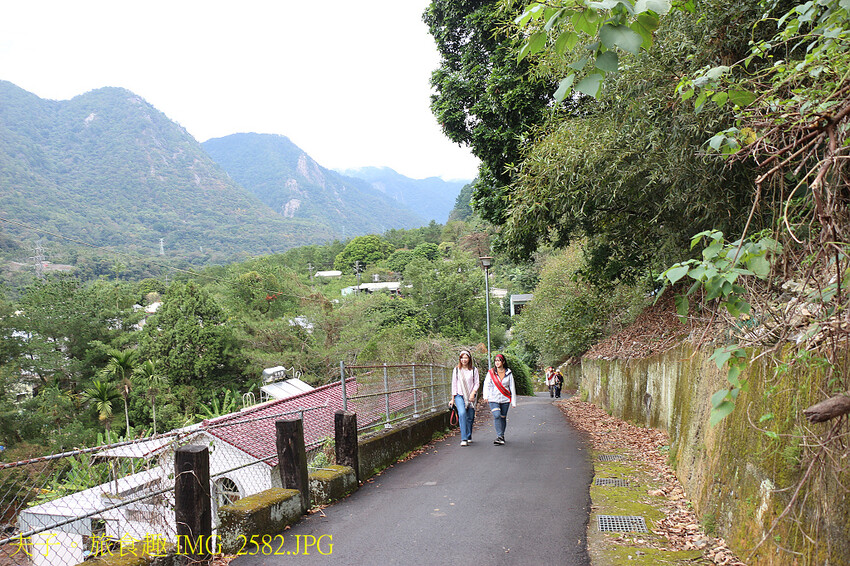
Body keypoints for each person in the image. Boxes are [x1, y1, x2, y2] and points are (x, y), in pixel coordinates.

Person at [482, 353, 516, 445]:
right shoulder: (491, 373)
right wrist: (486, 396)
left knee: (503, 417)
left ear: (503, 361)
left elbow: (512, 387)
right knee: (497, 415)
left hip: (505, 399)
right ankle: (499, 436)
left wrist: (513, 402)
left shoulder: (508, 372)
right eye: (496, 361)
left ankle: (502, 436)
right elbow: (487, 385)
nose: (497, 362)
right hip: (493, 398)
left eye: (499, 360)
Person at [452, 349, 480, 446]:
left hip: (471, 396)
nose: (464, 360)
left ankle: (468, 436)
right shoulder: (456, 370)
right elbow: (454, 385)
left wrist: (473, 393)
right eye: (462, 358)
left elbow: (477, 383)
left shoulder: (474, 370)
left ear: (469, 359)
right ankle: (463, 438)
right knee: (462, 413)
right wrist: (452, 399)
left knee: (470, 417)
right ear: (460, 359)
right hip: (459, 395)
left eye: (466, 358)